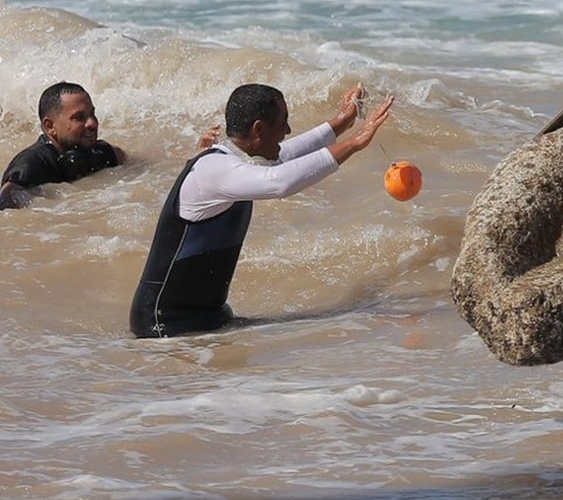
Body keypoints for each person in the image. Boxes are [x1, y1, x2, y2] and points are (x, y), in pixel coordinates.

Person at [128, 82, 394, 338]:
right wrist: (354, 144)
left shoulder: (237, 160)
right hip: (164, 327)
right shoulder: (213, 170)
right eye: (283, 123)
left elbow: (287, 156)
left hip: (208, 320)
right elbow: (280, 182)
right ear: (259, 129)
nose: (288, 130)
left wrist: (342, 121)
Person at [0, 82, 124, 210]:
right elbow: (6, 205)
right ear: (50, 126)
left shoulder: (101, 153)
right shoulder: (30, 167)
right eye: (79, 117)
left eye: (92, 114)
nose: (92, 123)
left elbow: (131, 163)